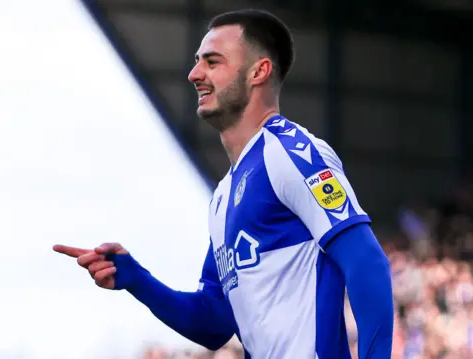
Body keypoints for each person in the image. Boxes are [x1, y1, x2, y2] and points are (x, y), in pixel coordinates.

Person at [54, 9, 394, 359]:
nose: (194, 74)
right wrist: (137, 279)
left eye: (212, 62)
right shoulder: (223, 196)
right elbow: (213, 322)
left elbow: (367, 262)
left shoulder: (290, 152)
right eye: (197, 62)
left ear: (258, 71)